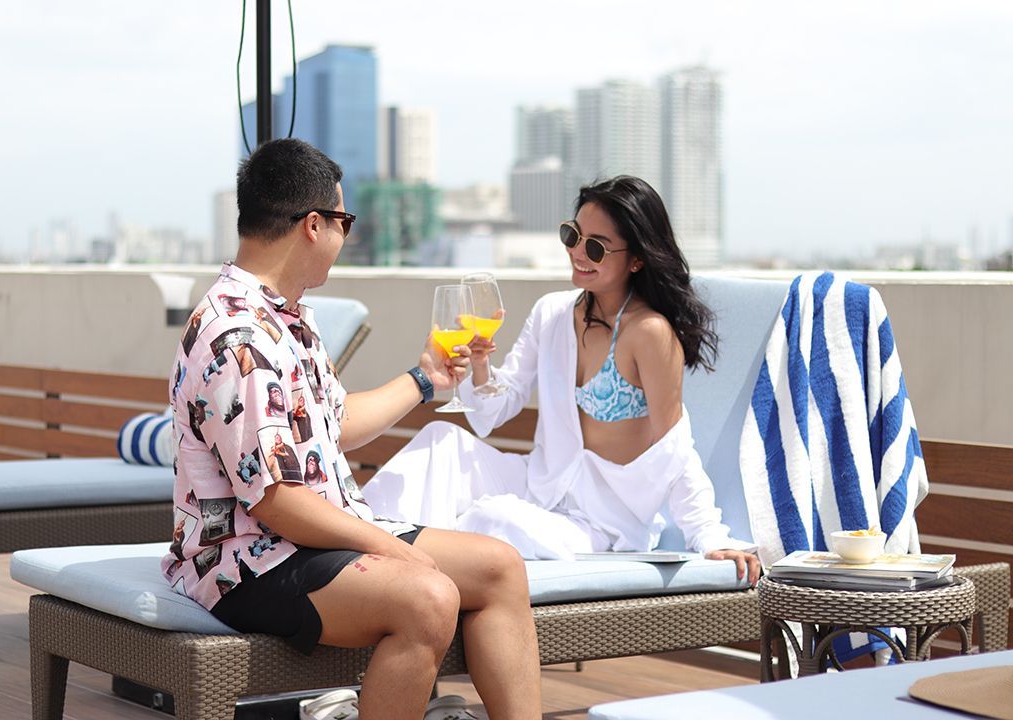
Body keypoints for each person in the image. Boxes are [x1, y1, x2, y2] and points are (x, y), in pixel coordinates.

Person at [161, 139, 540, 720]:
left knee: (499, 566)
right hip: (248, 560)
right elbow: (276, 501)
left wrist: (426, 378)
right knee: (428, 599)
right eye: (345, 221)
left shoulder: (288, 317)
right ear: (314, 225)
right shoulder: (236, 334)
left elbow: (332, 426)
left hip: (312, 537)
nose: (346, 236)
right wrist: (390, 549)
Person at [362, 175, 761, 586]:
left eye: (595, 247)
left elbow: (673, 450)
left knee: (493, 518)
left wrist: (708, 536)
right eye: (572, 236)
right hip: (541, 482)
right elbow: (499, 405)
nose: (576, 253)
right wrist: (480, 368)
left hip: (601, 522)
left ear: (636, 259)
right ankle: (354, 546)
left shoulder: (649, 332)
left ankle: (402, 570)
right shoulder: (552, 312)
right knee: (441, 442)